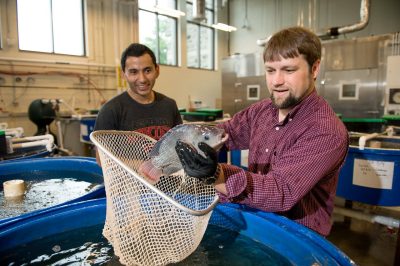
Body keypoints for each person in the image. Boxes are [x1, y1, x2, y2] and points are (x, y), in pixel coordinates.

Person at [175, 26, 349, 237]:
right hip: (255, 219)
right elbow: (226, 132)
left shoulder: (325, 131)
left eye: (289, 70)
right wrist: (182, 140)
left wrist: (216, 174)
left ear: (314, 68)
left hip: (295, 237)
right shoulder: (262, 111)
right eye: (270, 70)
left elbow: (280, 192)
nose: (276, 81)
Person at [94, 43, 182, 164]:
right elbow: (101, 158)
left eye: (147, 70)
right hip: (129, 182)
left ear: (157, 70)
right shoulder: (111, 110)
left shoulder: (169, 105)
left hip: (170, 180)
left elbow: (178, 145)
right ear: (123, 74)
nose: (142, 79)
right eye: (134, 72)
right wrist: (149, 169)